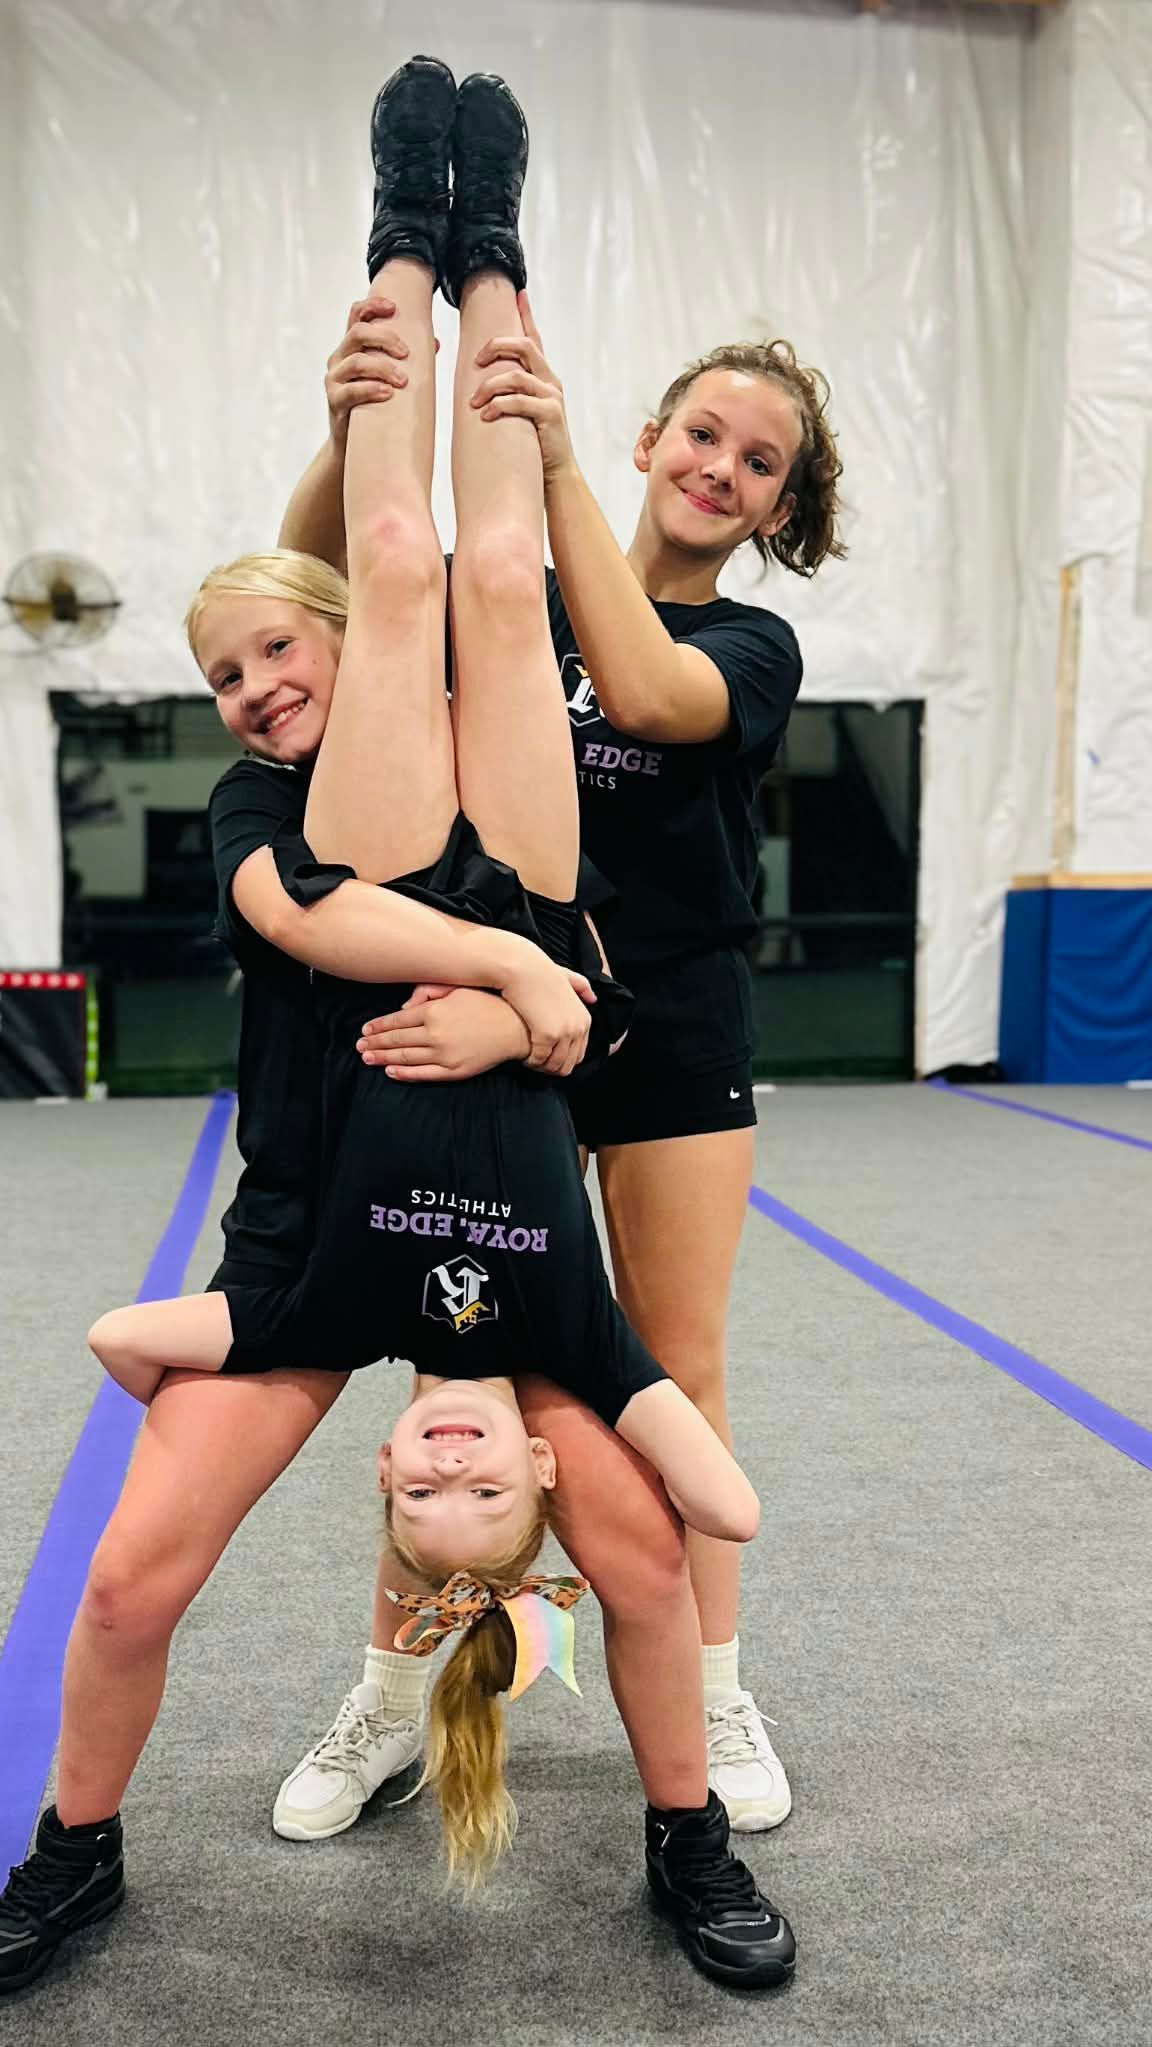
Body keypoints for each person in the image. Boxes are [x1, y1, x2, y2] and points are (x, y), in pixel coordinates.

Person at [0, 58, 794, 2001]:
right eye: (475, 1482)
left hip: (397, 886)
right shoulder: (556, 1347)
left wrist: (516, 1007)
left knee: (393, 571)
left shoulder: (308, 1321)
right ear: (511, 1470)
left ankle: (404, 241)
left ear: (400, 1476)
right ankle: (486, 250)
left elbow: (127, 1338)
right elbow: (701, 1495)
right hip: (524, 889)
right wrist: (529, 992)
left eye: (424, 1485)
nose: (444, 1462)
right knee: (487, 571)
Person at [277, 84, 845, 1839]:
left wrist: (565, 453)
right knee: (460, 1369)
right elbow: (326, 566)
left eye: (758, 463)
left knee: (672, 1362)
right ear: (667, 424)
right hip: (493, 984)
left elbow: (656, 694)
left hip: (667, 1025)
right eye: (706, 431)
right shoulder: (501, 571)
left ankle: (721, 1697)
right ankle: (391, 1699)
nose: (720, 468)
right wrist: (353, 412)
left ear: (775, 510)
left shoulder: (744, 638)